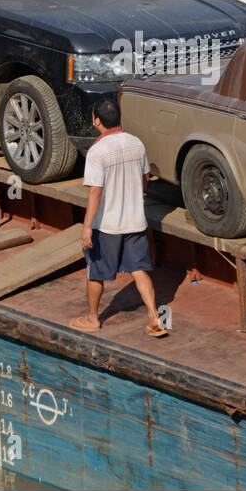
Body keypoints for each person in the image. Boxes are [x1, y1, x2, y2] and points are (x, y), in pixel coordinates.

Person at [71, 99, 167, 337]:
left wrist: (86, 228)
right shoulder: (137, 143)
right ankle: (154, 316)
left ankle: (93, 318)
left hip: (107, 225)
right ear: (119, 119)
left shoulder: (97, 152)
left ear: (96, 120)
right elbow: (145, 177)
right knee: (139, 269)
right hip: (135, 221)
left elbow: (95, 191)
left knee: (96, 273)